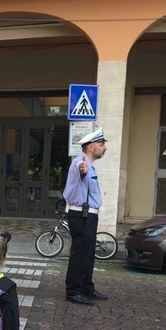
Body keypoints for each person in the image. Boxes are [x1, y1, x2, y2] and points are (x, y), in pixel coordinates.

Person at [63, 127, 109, 305]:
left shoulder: (89, 164)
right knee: (80, 254)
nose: (104, 148)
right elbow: (81, 174)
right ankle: (73, 291)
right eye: (101, 144)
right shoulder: (80, 164)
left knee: (88, 254)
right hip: (81, 215)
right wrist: (83, 171)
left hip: (88, 215)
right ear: (91, 147)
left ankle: (86, 288)